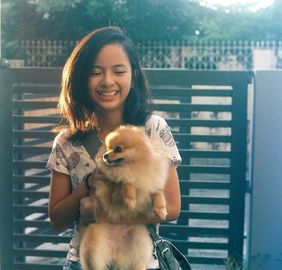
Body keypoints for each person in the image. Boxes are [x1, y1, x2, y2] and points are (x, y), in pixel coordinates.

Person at [46, 26, 182, 270]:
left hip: (138, 260)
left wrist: (101, 214)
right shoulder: (66, 143)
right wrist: (89, 185)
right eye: (95, 72)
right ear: (79, 77)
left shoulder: (152, 129)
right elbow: (56, 219)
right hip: (86, 261)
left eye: (118, 71)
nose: (107, 81)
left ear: (133, 75)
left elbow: (171, 208)